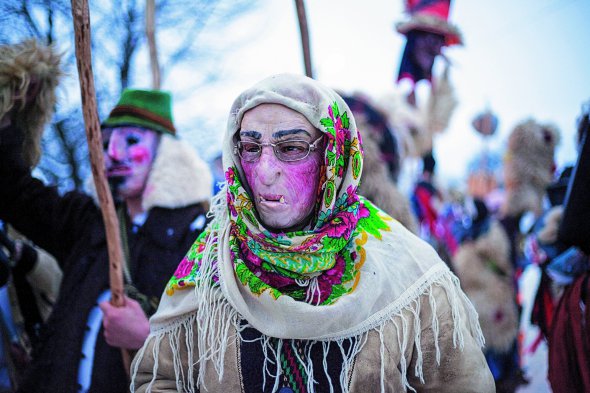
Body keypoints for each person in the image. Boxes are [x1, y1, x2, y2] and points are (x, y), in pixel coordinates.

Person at [130, 73, 494, 393]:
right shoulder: (210, 265)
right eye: (251, 148)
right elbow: (158, 379)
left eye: (291, 148)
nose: (265, 170)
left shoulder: (410, 272)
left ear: (332, 157)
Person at [0, 84, 213, 391]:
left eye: (130, 140)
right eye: (105, 143)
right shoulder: (87, 222)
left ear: (167, 154)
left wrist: (148, 339)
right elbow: (17, 193)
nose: (113, 154)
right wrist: (9, 118)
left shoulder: (200, 239)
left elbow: (217, 354)